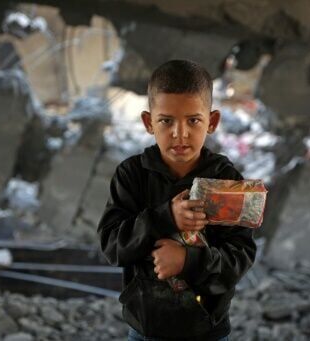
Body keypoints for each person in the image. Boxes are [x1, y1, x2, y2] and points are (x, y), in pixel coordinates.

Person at [97, 59, 256, 340]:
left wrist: (188, 261)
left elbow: (240, 257)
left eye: (193, 120)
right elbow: (112, 246)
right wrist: (164, 218)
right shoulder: (133, 175)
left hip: (207, 328)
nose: (179, 134)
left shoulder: (226, 180)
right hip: (147, 327)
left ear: (212, 122)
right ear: (148, 122)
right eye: (166, 121)